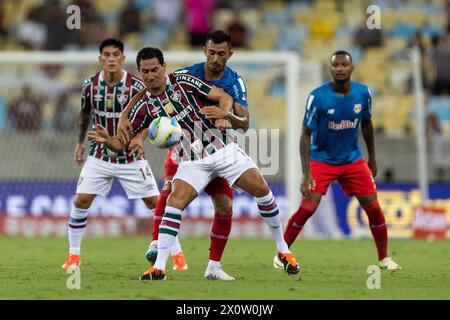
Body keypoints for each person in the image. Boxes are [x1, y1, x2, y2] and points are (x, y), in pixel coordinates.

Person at [88, 47, 300, 280]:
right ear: (139, 72)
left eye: (155, 70)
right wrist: (109, 140)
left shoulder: (184, 81)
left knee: (261, 189)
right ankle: (159, 267)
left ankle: (283, 250)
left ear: (164, 68)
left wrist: (223, 113)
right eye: (145, 71)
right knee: (173, 202)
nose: (150, 76)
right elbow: (120, 144)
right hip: (191, 161)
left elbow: (223, 96)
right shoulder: (142, 107)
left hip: (222, 151)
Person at [118, 30, 250, 280]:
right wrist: (133, 125)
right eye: (211, 52)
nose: (215, 58)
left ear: (229, 55)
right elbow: (154, 96)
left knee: (225, 204)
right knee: (169, 190)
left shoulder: (234, 82)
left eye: (221, 54)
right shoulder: (188, 74)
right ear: (205, 52)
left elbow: (244, 122)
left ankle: (213, 267)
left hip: (215, 147)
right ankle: (156, 245)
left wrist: (226, 115)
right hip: (183, 148)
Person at [273, 50, 401, 271]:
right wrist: (307, 174)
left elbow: (367, 124)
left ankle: (384, 258)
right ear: (330, 69)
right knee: (308, 208)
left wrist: (372, 157)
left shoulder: (363, 94)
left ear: (352, 68)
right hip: (322, 159)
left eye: (344, 65)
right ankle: (282, 253)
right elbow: (305, 134)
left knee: (374, 207)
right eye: (336, 65)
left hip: (352, 159)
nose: (340, 69)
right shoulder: (318, 97)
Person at [61, 39, 180, 270]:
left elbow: (153, 117)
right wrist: (79, 142)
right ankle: (73, 255)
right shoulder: (90, 85)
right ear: (100, 59)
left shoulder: (137, 86)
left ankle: (176, 254)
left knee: (157, 204)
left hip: (131, 157)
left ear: (123, 59)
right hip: (100, 154)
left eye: (116, 54)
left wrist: (140, 137)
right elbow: (84, 113)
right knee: (81, 200)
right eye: (107, 54)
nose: (112, 58)